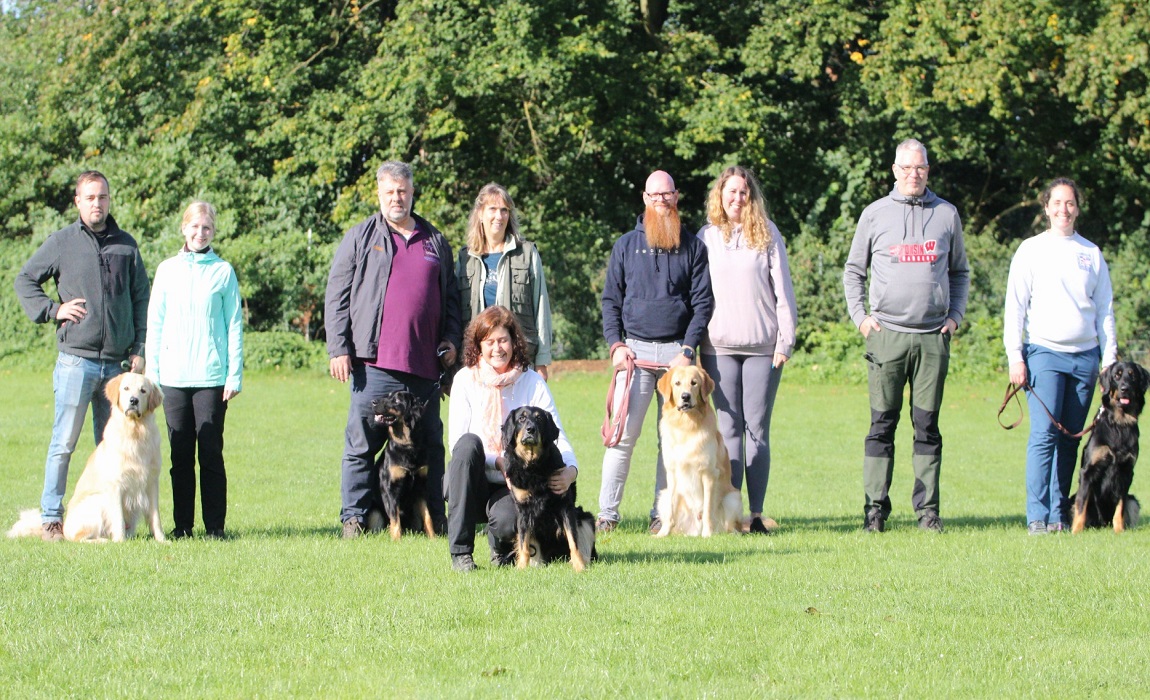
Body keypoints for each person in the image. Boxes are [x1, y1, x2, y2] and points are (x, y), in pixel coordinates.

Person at [324, 160, 462, 539]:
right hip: (374, 365)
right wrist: (338, 347)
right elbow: (336, 295)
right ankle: (354, 518)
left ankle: (435, 517)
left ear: (412, 192)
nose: (396, 198)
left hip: (423, 367)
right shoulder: (360, 236)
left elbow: (451, 300)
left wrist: (451, 340)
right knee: (361, 444)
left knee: (431, 446)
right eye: (389, 192)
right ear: (379, 194)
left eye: (402, 191)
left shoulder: (435, 240)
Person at [14, 170, 151, 541]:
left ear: (109, 200)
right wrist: (52, 309)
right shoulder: (61, 243)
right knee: (63, 444)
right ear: (78, 202)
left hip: (118, 370)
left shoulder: (127, 246)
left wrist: (138, 348)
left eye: (102, 197)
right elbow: (25, 280)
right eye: (89, 197)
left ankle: (115, 522)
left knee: (112, 449)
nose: (97, 203)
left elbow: (141, 298)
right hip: (76, 361)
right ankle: (51, 520)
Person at [843, 138, 970, 533]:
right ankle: (874, 510)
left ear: (928, 170)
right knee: (882, 425)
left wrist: (955, 317)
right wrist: (862, 319)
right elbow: (853, 272)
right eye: (907, 168)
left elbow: (960, 272)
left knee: (927, 426)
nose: (914, 175)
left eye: (921, 168)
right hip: (887, 337)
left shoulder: (946, 214)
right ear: (894, 170)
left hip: (933, 337)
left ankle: (927, 512)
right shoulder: (875, 214)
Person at [597, 169, 714, 533]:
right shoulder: (625, 246)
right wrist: (616, 346)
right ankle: (607, 516)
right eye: (654, 195)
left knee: (672, 444)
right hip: (634, 356)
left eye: (667, 195)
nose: (661, 201)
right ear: (645, 199)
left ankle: (661, 516)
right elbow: (610, 301)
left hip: (677, 359)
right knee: (621, 438)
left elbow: (703, 303)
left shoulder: (693, 247)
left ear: (676, 197)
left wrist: (688, 349)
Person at [1003, 177, 1115, 535]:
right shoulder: (1030, 250)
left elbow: (1105, 311)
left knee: (1071, 439)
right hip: (1044, 354)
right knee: (1043, 435)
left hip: (1085, 359)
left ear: (1077, 209)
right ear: (1046, 207)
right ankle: (1037, 515)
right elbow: (1015, 309)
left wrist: (1108, 359)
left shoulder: (1091, 254)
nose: (1063, 209)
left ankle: (1059, 512)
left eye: (1070, 203)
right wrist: (1015, 357)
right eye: (1057, 203)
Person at [698, 166, 797, 535]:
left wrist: (784, 341)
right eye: (730, 192)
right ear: (720, 196)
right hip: (717, 348)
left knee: (756, 430)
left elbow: (784, 292)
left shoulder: (768, 234)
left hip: (762, 348)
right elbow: (698, 295)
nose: (737, 198)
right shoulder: (706, 237)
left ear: (750, 197)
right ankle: (731, 512)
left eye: (743, 192)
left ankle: (756, 514)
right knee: (728, 430)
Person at [445, 305, 578, 572]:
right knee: (469, 443)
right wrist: (499, 462)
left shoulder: (532, 382)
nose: (497, 348)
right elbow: (456, 444)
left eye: (503, 340)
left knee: (508, 522)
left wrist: (571, 470)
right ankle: (461, 553)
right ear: (479, 346)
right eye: (489, 341)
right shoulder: (464, 380)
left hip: (515, 484)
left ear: (514, 342)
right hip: (472, 478)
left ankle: (501, 546)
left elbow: (556, 434)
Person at [145, 201, 244, 539]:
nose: (200, 233)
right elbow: (155, 323)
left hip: (212, 378)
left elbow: (234, 325)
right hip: (172, 379)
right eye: (195, 227)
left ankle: (215, 527)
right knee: (180, 455)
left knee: (211, 453)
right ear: (184, 228)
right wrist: (151, 376)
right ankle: (182, 526)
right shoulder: (167, 270)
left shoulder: (223, 271)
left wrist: (234, 376)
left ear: (213, 232)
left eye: (207, 228)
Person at [457, 183, 554, 378]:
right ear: (480, 214)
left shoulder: (527, 253)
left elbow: (541, 307)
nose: (499, 216)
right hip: (478, 362)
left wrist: (542, 360)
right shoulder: (465, 258)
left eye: (504, 210)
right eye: (492, 209)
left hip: (520, 359)